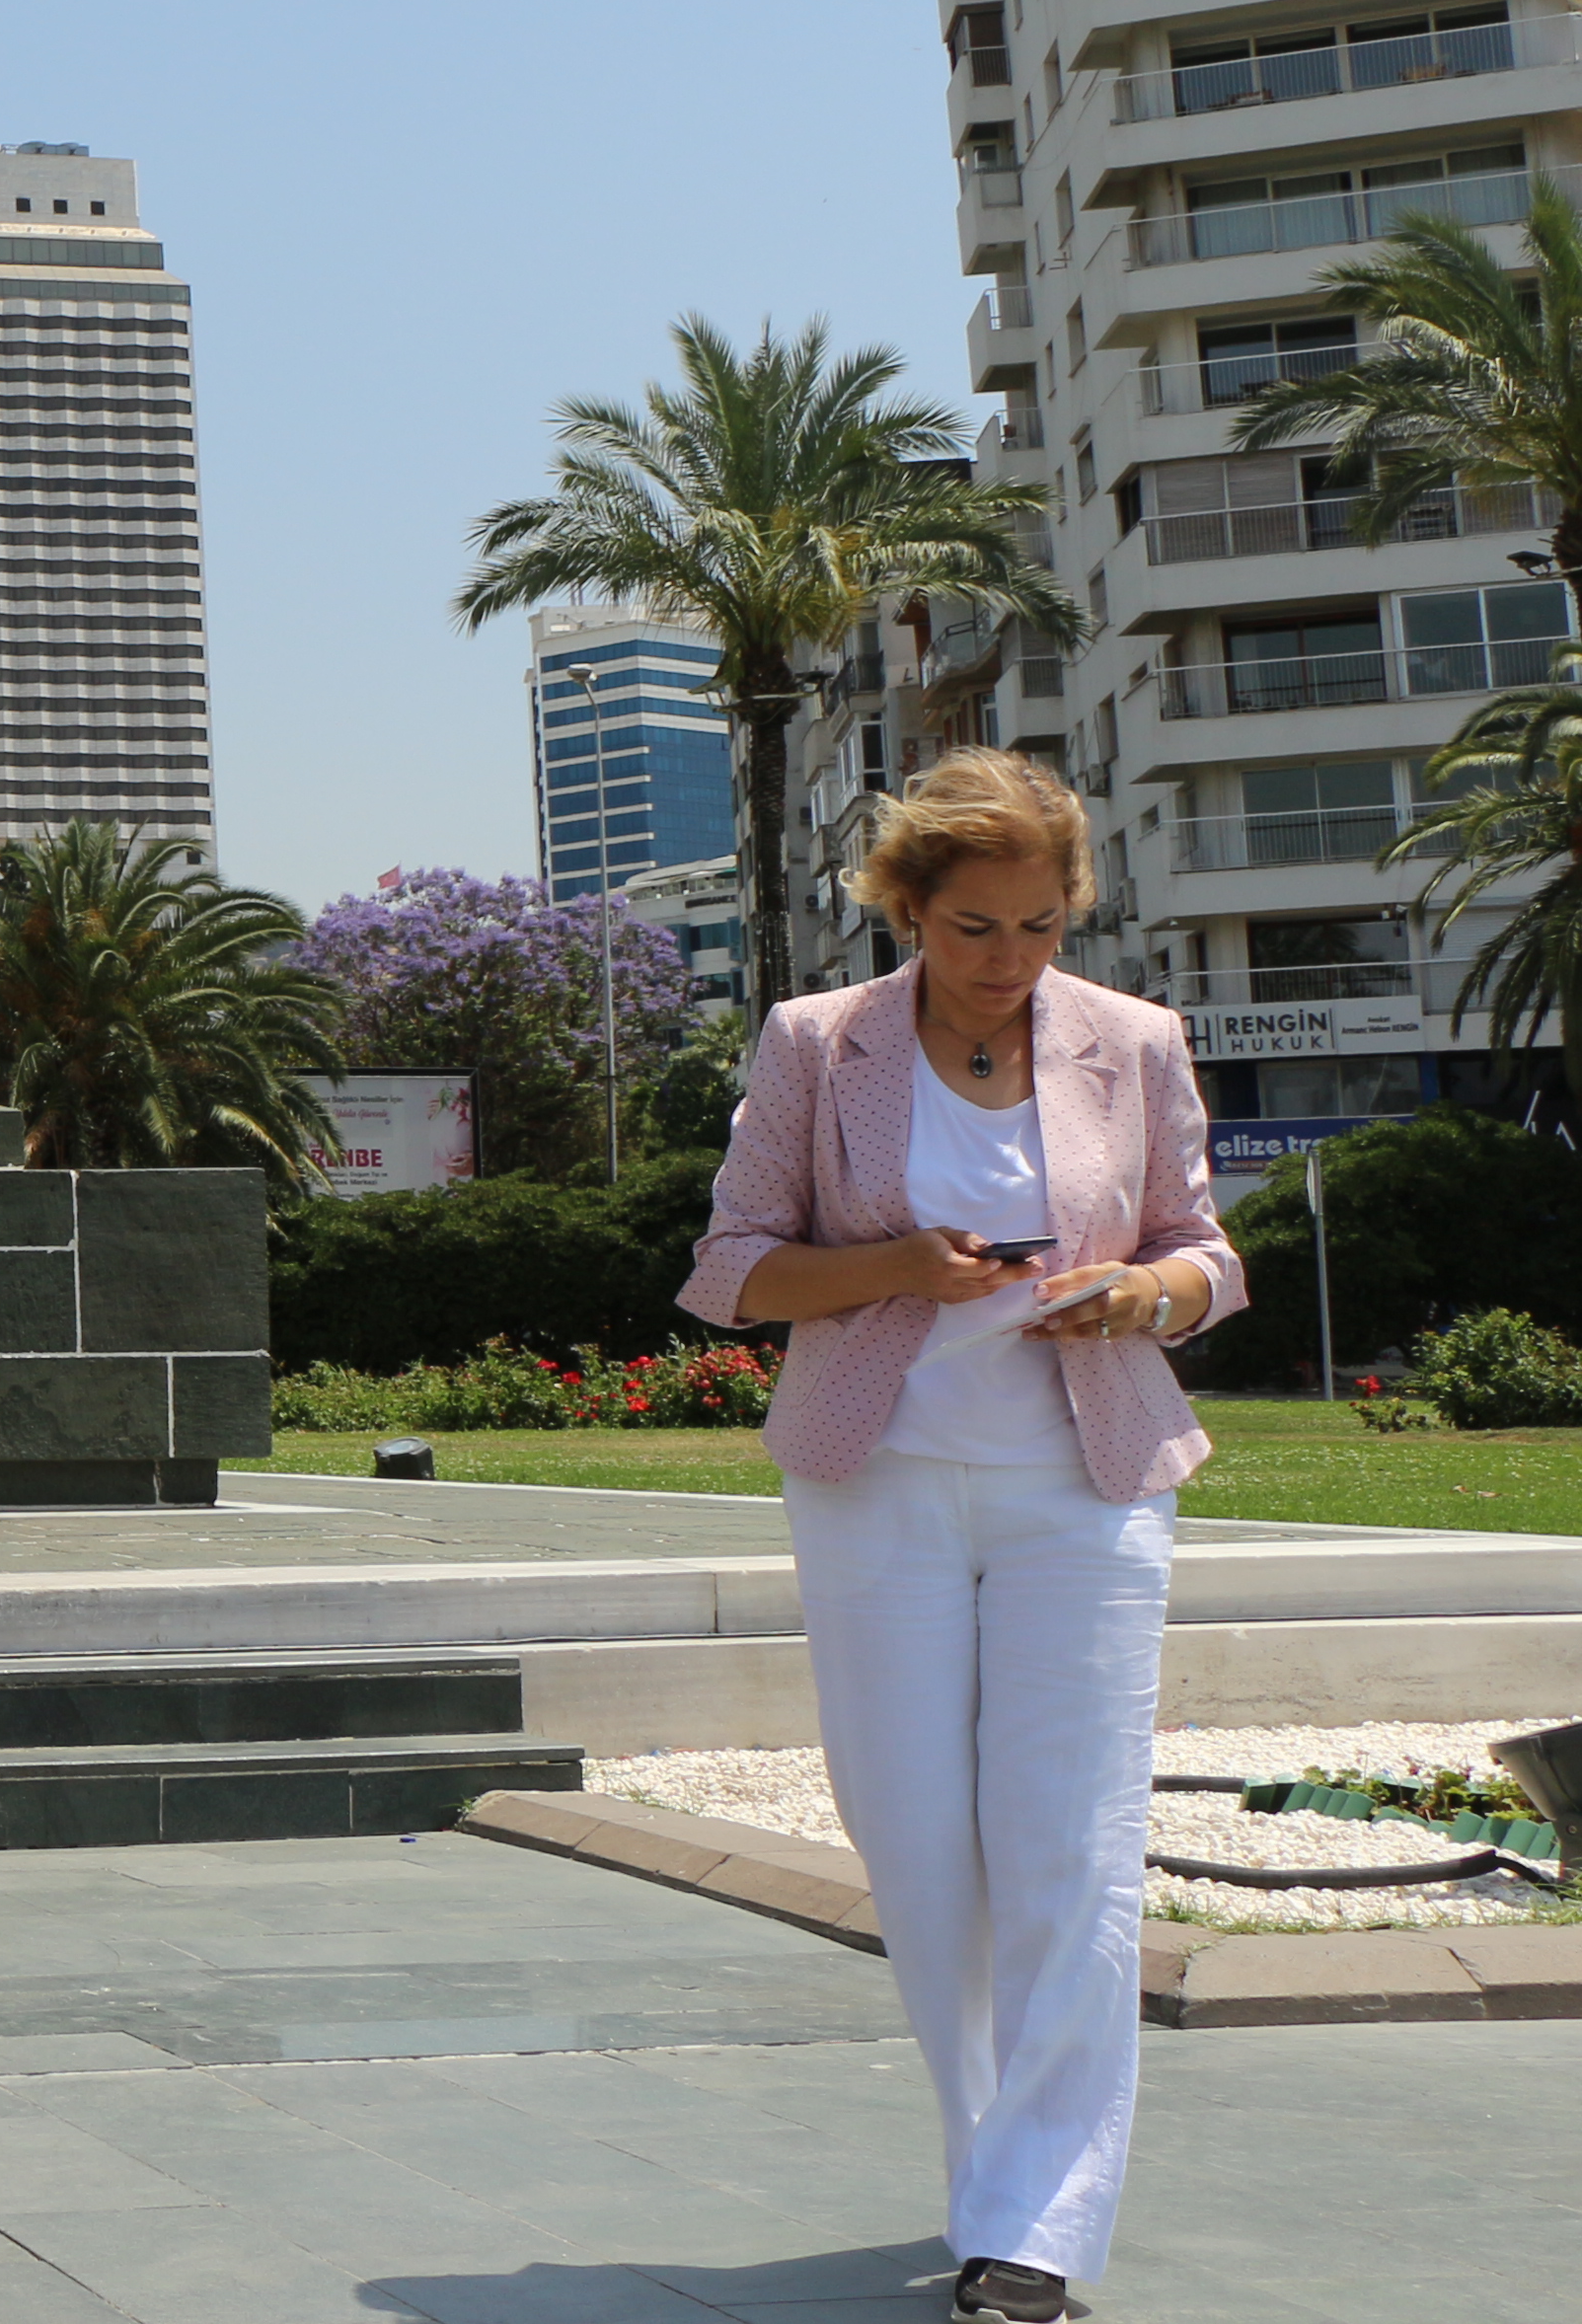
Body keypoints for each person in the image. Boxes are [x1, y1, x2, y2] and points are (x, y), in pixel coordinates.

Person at [681, 746, 1243, 2324]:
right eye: (975, 928)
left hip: (1090, 1485)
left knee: (1070, 1856)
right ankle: (991, 2170)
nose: (1009, 964)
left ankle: (1035, 2233)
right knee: (924, 1859)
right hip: (879, 1488)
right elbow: (731, 1266)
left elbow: (1204, 1244)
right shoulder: (819, 1043)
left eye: (1041, 926)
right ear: (907, 909)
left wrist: (1153, 1294)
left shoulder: (1131, 1043)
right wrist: (895, 1270)